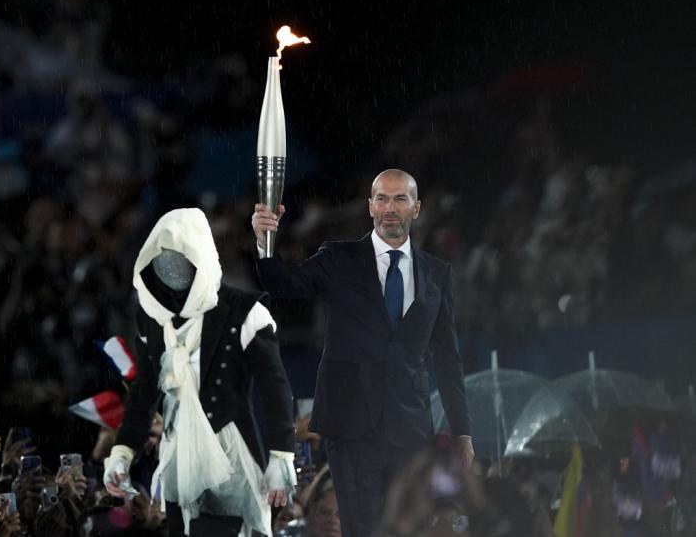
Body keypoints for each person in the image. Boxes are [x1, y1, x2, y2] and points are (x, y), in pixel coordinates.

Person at [251, 169, 474, 537]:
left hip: (410, 428)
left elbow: (449, 360)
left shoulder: (437, 274)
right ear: (370, 206)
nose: (390, 208)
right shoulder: (339, 259)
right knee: (362, 529)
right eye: (382, 199)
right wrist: (265, 242)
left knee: (408, 529)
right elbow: (282, 284)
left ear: (416, 208)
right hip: (351, 425)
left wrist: (463, 433)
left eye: (400, 199)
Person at [103, 208, 297, 537]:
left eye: (180, 261)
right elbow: (143, 395)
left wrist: (282, 457)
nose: (170, 271)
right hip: (179, 461)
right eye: (162, 263)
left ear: (201, 258)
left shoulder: (244, 312)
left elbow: (275, 388)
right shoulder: (152, 319)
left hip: (230, 455)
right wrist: (122, 452)